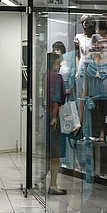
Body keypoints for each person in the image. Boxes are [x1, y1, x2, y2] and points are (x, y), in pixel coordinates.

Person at [44, 53, 67, 195]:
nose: (59, 66)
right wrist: (54, 116)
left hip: (44, 116)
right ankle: (53, 184)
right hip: (54, 117)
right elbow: (57, 99)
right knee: (55, 153)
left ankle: (42, 181)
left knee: (47, 152)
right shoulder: (57, 78)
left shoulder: (44, 76)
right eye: (59, 64)